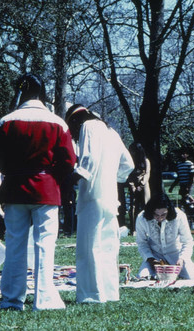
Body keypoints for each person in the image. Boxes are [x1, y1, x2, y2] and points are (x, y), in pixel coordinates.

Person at [0, 73, 76, 311]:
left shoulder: (6, 121)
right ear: (42, 93)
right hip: (46, 190)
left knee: (15, 244)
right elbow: (69, 160)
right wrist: (51, 177)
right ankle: (44, 299)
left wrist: (13, 171)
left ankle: (11, 299)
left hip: (15, 189)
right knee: (45, 245)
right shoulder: (57, 122)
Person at [65, 104, 134, 304]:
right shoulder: (111, 131)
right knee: (108, 248)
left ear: (76, 121)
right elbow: (128, 164)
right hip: (111, 198)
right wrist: (114, 176)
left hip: (92, 196)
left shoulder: (88, 126)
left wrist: (72, 179)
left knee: (89, 248)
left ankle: (91, 295)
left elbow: (88, 159)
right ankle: (110, 293)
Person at [135, 193, 194, 282]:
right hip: (155, 256)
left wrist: (182, 258)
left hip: (176, 255)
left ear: (169, 210)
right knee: (142, 277)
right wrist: (150, 259)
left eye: (163, 215)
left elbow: (187, 241)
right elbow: (141, 242)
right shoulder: (142, 218)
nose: (159, 218)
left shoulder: (179, 216)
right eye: (156, 215)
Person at [127, 142, 151, 234]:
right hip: (133, 185)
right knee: (133, 207)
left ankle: (147, 229)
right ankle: (134, 229)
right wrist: (132, 186)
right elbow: (129, 174)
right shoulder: (131, 162)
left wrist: (141, 185)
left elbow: (147, 173)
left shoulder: (146, 161)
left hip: (144, 185)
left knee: (146, 204)